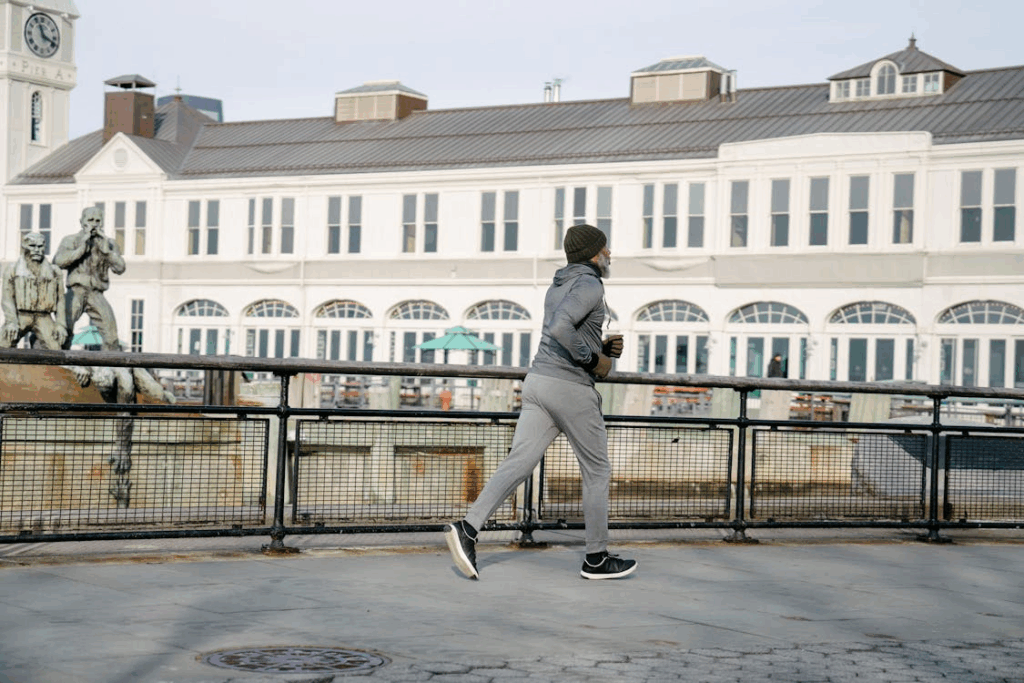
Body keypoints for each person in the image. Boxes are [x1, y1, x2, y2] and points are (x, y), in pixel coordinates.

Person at [444, 224, 636, 581]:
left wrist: (600, 347)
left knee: (520, 462)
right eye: (605, 248)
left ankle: (468, 529)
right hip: (570, 388)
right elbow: (560, 327)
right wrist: (593, 361)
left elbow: (566, 329)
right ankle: (596, 557)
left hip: (538, 382)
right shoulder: (591, 284)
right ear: (594, 253)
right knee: (597, 471)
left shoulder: (559, 283)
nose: (609, 254)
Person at [53, 206, 126, 351]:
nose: (94, 224)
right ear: (82, 222)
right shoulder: (70, 240)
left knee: (111, 336)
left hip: (96, 294)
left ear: (102, 223)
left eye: (98, 221)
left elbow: (120, 268)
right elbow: (58, 262)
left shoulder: (109, 243)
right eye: (90, 220)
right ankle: (59, 366)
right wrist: (81, 247)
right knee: (63, 332)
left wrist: (107, 252)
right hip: (75, 293)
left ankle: (109, 370)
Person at [1, 232, 68, 349]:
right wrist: (11, 322)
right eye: (32, 246)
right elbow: (7, 299)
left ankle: (37, 343)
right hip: (21, 316)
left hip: (44, 317)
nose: (37, 250)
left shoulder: (54, 271)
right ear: (24, 247)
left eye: (40, 246)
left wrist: (60, 325)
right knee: (4, 342)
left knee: (56, 348)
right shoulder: (12, 270)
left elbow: (60, 300)